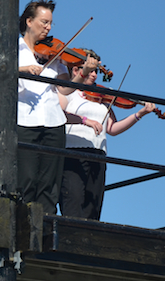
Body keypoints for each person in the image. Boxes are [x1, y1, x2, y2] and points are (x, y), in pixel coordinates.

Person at [18, 0, 102, 215]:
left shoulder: (55, 56)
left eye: (50, 23)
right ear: (29, 21)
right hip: (25, 121)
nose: (48, 27)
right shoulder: (14, 50)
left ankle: (45, 227)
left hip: (54, 122)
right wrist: (24, 69)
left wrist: (83, 73)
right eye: (44, 22)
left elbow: (64, 89)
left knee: (49, 184)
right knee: (26, 179)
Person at [58, 50, 156, 220]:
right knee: (72, 204)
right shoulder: (69, 92)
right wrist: (84, 120)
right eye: (91, 70)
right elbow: (58, 114)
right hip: (73, 152)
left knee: (93, 209)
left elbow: (112, 129)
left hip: (99, 154)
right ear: (75, 70)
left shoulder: (102, 97)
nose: (95, 75)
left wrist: (139, 114)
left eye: (97, 70)